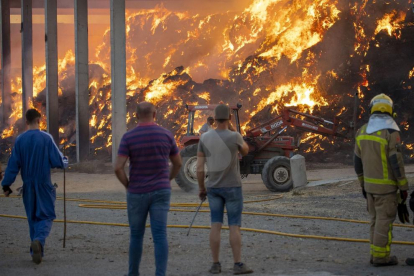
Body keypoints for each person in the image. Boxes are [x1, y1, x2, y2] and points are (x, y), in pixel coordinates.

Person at [114, 102, 182, 276]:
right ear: (155, 114)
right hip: (161, 191)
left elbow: (118, 167)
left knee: (136, 235)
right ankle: (160, 274)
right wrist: (167, 179)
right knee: (160, 235)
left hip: (137, 192)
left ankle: (133, 273)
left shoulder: (128, 137)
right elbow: (178, 163)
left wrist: (128, 185)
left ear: (136, 116)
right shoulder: (166, 135)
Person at [1, 108, 68, 264]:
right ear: (40, 120)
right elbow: (58, 161)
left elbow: (13, 165)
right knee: (46, 215)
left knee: (32, 218)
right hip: (44, 184)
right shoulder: (46, 138)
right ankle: (38, 240)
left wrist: (6, 185)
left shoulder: (20, 140)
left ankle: (36, 252)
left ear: (26, 122)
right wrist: (65, 161)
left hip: (28, 185)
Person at [196, 104, 253, 274]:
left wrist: (201, 188)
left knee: (215, 225)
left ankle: (215, 264)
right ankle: (237, 265)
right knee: (234, 226)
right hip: (233, 187)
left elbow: (199, 168)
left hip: (213, 188)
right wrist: (234, 132)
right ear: (228, 118)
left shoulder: (204, 138)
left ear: (214, 119)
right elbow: (246, 150)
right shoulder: (235, 136)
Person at [354, 94, 409, 267]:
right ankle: (380, 258)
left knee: (374, 220)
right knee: (384, 222)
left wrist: (363, 184)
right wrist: (403, 186)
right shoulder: (391, 133)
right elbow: (396, 163)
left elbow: (357, 163)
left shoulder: (362, 131)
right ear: (390, 111)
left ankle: (374, 254)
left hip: (370, 188)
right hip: (386, 189)